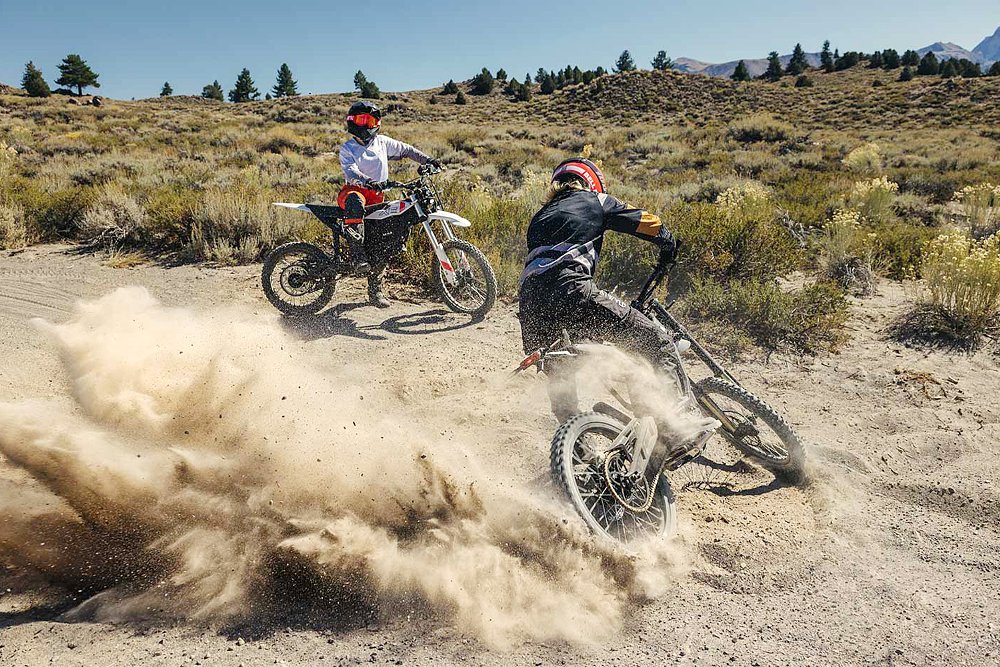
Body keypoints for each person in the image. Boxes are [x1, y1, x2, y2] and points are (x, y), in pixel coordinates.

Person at [518, 157, 711, 462]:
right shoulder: (595, 200)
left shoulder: (539, 217)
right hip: (571, 290)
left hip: (530, 308)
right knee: (655, 342)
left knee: (563, 384)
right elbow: (645, 222)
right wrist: (669, 243)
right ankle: (674, 428)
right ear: (591, 181)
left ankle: (582, 464)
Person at [339, 100, 439, 307]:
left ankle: (375, 291)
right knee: (355, 202)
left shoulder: (382, 142)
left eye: (371, 120)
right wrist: (367, 182)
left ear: (378, 123)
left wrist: (427, 160)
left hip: (378, 197)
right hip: (355, 192)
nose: (366, 125)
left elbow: (408, 150)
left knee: (382, 244)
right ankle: (357, 255)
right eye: (361, 119)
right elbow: (350, 171)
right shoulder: (347, 148)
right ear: (352, 121)